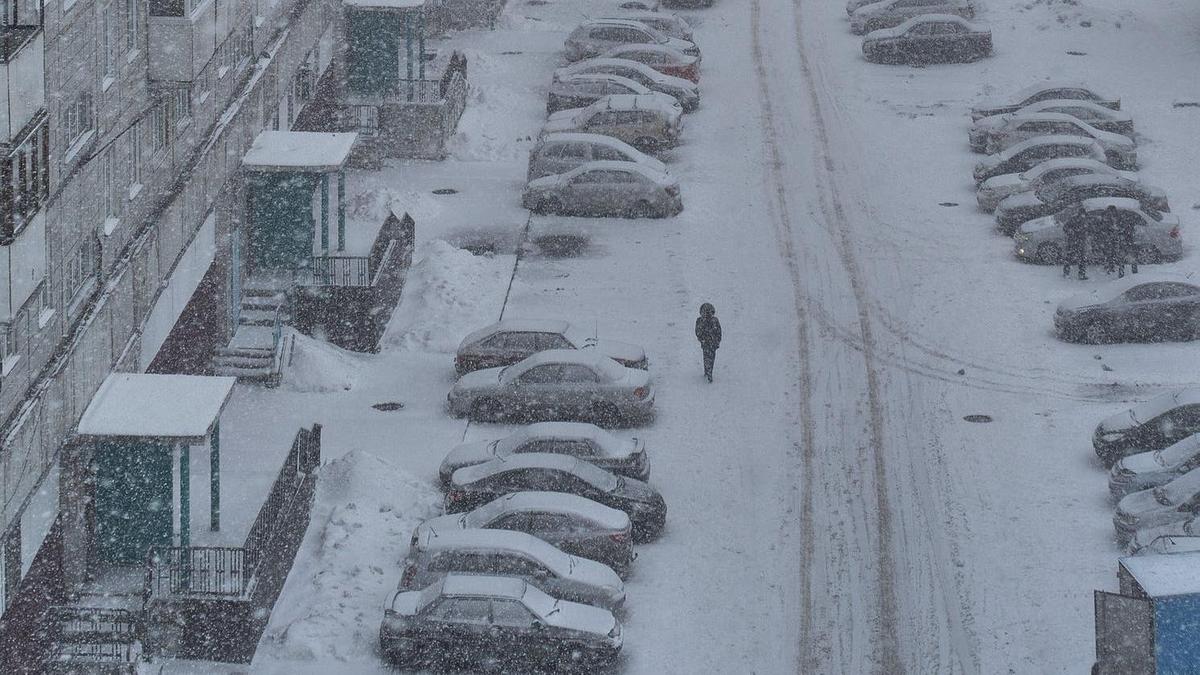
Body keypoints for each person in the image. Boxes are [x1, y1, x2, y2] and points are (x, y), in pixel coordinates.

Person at [695, 303, 722, 383]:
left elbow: (697, 331)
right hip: (709, 342)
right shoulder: (711, 320)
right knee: (710, 357)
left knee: (707, 356)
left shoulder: (702, 320)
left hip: (709, 342)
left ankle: (708, 371)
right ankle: (708, 371)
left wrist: (702, 338)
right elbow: (719, 332)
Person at [1063, 207, 1088, 280]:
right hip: (1073, 242)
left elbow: (1087, 229)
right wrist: (1071, 232)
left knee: (1081, 259)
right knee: (1070, 257)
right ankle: (1067, 273)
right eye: (1082, 215)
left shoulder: (1085, 220)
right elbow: (1065, 228)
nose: (1083, 216)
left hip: (1079, 242)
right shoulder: (1073, 220)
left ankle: (1081, 274)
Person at [1115, 207, 1138, 278]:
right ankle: (1134, 273)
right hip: (1129, 242)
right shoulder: (1130, 222)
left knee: (1122, 259)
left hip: (1124, 242)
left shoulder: (1120, 222)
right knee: (1132, 258)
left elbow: (1119, 231)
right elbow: (1132, 232)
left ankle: (1121, 274)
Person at [1097, 206, 1120, 275]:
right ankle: (1109, 266)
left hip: (1111, 238)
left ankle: (1110, 266)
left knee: (1111, 253)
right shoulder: (1106, 217)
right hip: (1108, 238)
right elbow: (1102, 227)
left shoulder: (1114, 217)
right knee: (1109, 253)